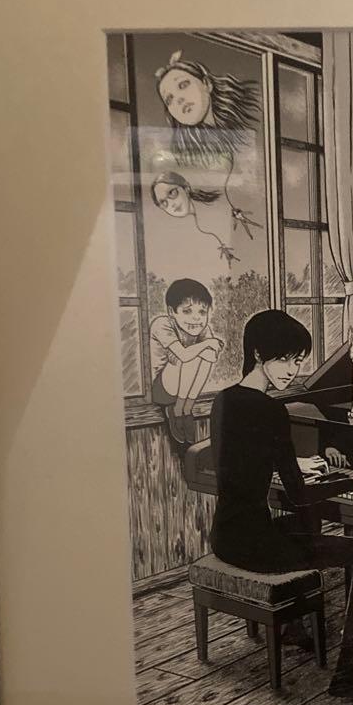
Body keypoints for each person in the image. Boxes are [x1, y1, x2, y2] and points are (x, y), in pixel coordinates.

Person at [209, 309, 353, 702]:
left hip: (226, 537)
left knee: (306, 523)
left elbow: (240, 461)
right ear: (258, 354)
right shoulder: (271, 410)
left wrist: (293, 463)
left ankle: (294, 628)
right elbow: (299, 495)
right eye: (285, 359)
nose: (293, 370)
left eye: (298, 360)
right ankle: (345, 675)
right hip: (258, 549)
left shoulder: (223, 400)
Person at [153, 51, 263, 239]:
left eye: (183, 85)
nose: (178, 99)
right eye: (169, 99)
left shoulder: (255, 121)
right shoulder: (186, 162)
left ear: (207, 84)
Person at [149, 278, 223, 444]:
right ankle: (177, 410)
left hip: (184, 390)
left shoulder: (203, 329)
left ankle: (187, 408)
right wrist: (206, 345)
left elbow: (212, 357)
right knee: (187, 356)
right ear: (171, 311)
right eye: (187, 311)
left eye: (202, 312)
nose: (196, 318)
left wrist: (205, 347)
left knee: (202, 356)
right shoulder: (162, 324)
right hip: (162, 390)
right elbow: (183, 355)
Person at [149, 171, 239, 265]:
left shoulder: (214, 210)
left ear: (186, 187)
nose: (172, 204)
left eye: (171, 193)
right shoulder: (182, 233)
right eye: (163, 203)